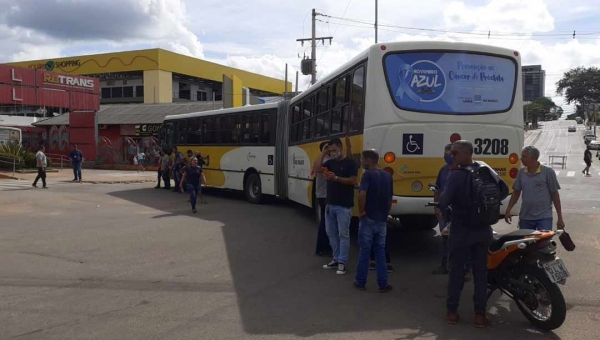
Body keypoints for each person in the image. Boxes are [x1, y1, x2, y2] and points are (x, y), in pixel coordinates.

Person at [439, 140, 507, 327]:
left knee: (456, 272)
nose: (451, 156)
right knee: (480, 274)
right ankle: (479, 316)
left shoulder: (456, 175)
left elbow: (444, 202)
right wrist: (484, 208)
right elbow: (504, 190)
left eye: (455, 153)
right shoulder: (485, 169)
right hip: (483, 229)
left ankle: (452, 312)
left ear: (467, 153)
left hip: (461, 230)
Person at [314, 138, 358, 275]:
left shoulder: (350, 162)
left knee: (343, 234)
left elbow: (353, 180)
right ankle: (336, 258)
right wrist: (323, 152)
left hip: (344, 205)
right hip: (330, 204)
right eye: (330, 150)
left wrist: (336, 178)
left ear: (341, 148)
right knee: (330, 233)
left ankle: (342, 262)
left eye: (334, 150)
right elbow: (317, 168)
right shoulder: (331, 163)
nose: (332, 153)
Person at [354, 150, 394, 293]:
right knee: (380, 252)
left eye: (362, 159)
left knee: (365, 251)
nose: (361, 162)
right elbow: (390, 198)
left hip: (368, 218)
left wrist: (362, 212)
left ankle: (361, 281)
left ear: (370, 160)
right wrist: (386, 214)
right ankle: (383, 284)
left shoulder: (367, 175)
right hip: (382, 219)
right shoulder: (387, 176)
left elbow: (362, 194)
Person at [505, 145, 565, 231]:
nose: (521, 159)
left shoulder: (548, 172)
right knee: (525, 243)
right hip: (526, 217)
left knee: (543, 243)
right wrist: (508, 209)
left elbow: (555, 195)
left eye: (524, 156)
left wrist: (560, 217)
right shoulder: (521, 172)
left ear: (533, 158)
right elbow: (516, 193)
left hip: (544, 217)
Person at [432, 144, 457, 275]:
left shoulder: (461, 171)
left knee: (459, 241)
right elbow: (437, 189)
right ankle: (445, 265)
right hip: (444, 213)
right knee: (445, 239)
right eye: (445, 154)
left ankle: (463, 269)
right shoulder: (443, 170)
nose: (447, 156)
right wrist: (436, 206)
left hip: (458, 213)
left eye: (449, 154)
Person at [313, 141, 333, 257]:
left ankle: (324, 246)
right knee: (325, 223)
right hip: (323, 196)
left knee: (327, 222)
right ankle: (321, 248)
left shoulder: (328, 160)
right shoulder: (323, 160)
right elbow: (317, 168)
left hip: (325, 195)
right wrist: (324, 152)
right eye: (328, 148)